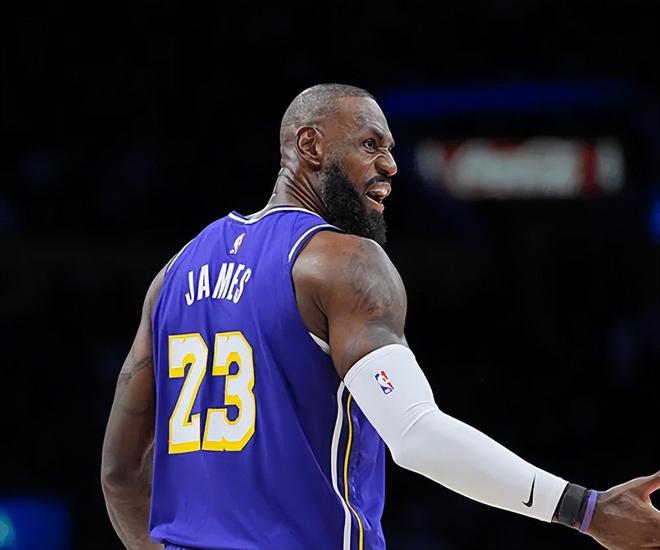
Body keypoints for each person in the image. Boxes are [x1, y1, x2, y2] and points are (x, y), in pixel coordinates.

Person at [101, 83, 660, 550]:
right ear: (311, 145)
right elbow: (415, 433)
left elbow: (120, 472)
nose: (390, 165)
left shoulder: (174, 273)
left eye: (389, 149)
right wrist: (586, 510)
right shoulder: (341, 261)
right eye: (370, 145)